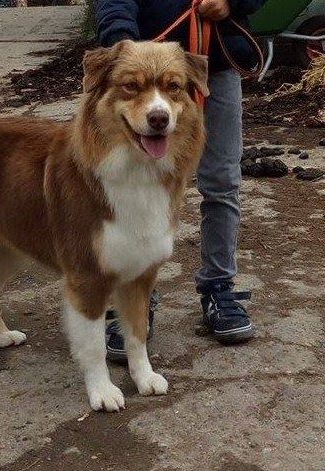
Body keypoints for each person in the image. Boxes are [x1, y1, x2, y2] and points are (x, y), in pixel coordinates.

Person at [96, 0, 267, 361]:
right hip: (143, 75)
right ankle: (137, 298)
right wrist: (123, 47)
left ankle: (219, 287)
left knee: (222, 183)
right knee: (137, 191)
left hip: (215, 67)